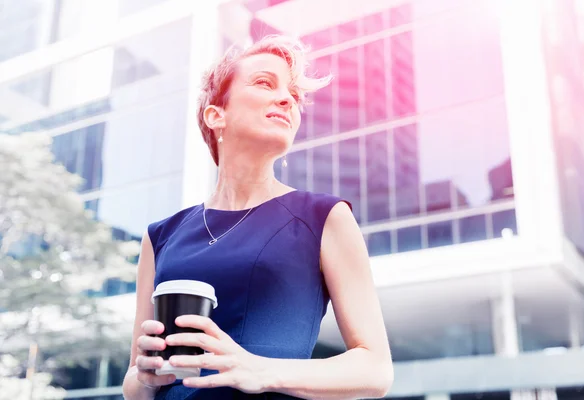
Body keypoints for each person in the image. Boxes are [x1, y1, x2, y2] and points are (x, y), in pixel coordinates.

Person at [122, 34, 394, 400]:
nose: (286, 99)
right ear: (216, 115)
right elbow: (134, 386)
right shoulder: (160, 236)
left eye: (294, 96)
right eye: (265, 83)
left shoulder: (325, 217)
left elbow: (375, 371)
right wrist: (147, 377)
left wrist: (260, 370)